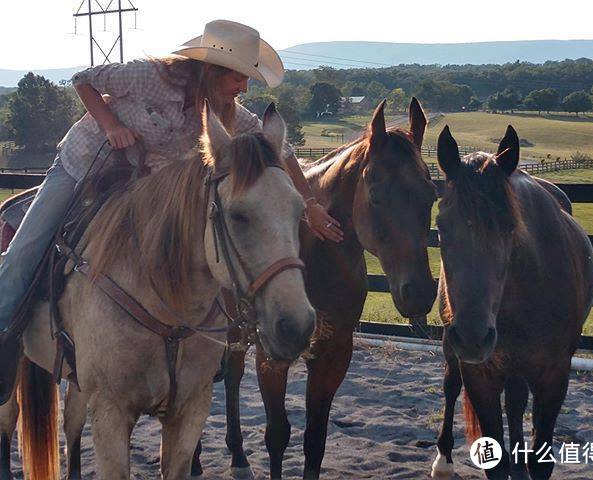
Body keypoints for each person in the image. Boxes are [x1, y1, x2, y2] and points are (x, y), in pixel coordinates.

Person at [0, 19, 343, 403]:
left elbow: (283, 151)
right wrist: (111, 124)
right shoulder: (150, 77)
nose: (244, 88)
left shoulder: (228, 113)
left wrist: (309, 205)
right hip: (82, 166)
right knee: (24, 252)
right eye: (239, 78)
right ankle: (4, 338)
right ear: (212, 70)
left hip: (135, 188)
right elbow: (84, 79)